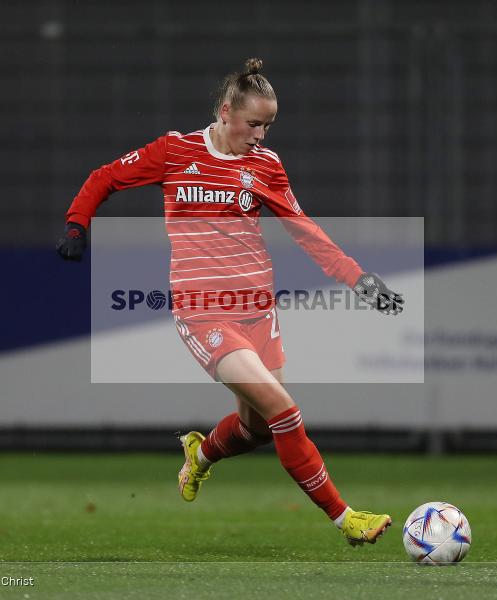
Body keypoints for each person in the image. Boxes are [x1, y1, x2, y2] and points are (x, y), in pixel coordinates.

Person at [57, 58, 404, 546]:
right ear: (226, 112)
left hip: (260, 312)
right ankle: (346, 519)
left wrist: (359, 279)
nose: (261, 134)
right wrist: (77, 225)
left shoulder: (266, 166)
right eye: (254, 123)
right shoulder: (175, 151)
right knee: (284, 410)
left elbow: (306, 232)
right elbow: (104, 178)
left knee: (258, 428)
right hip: (204, 311)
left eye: (269, 125)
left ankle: (199, 457)